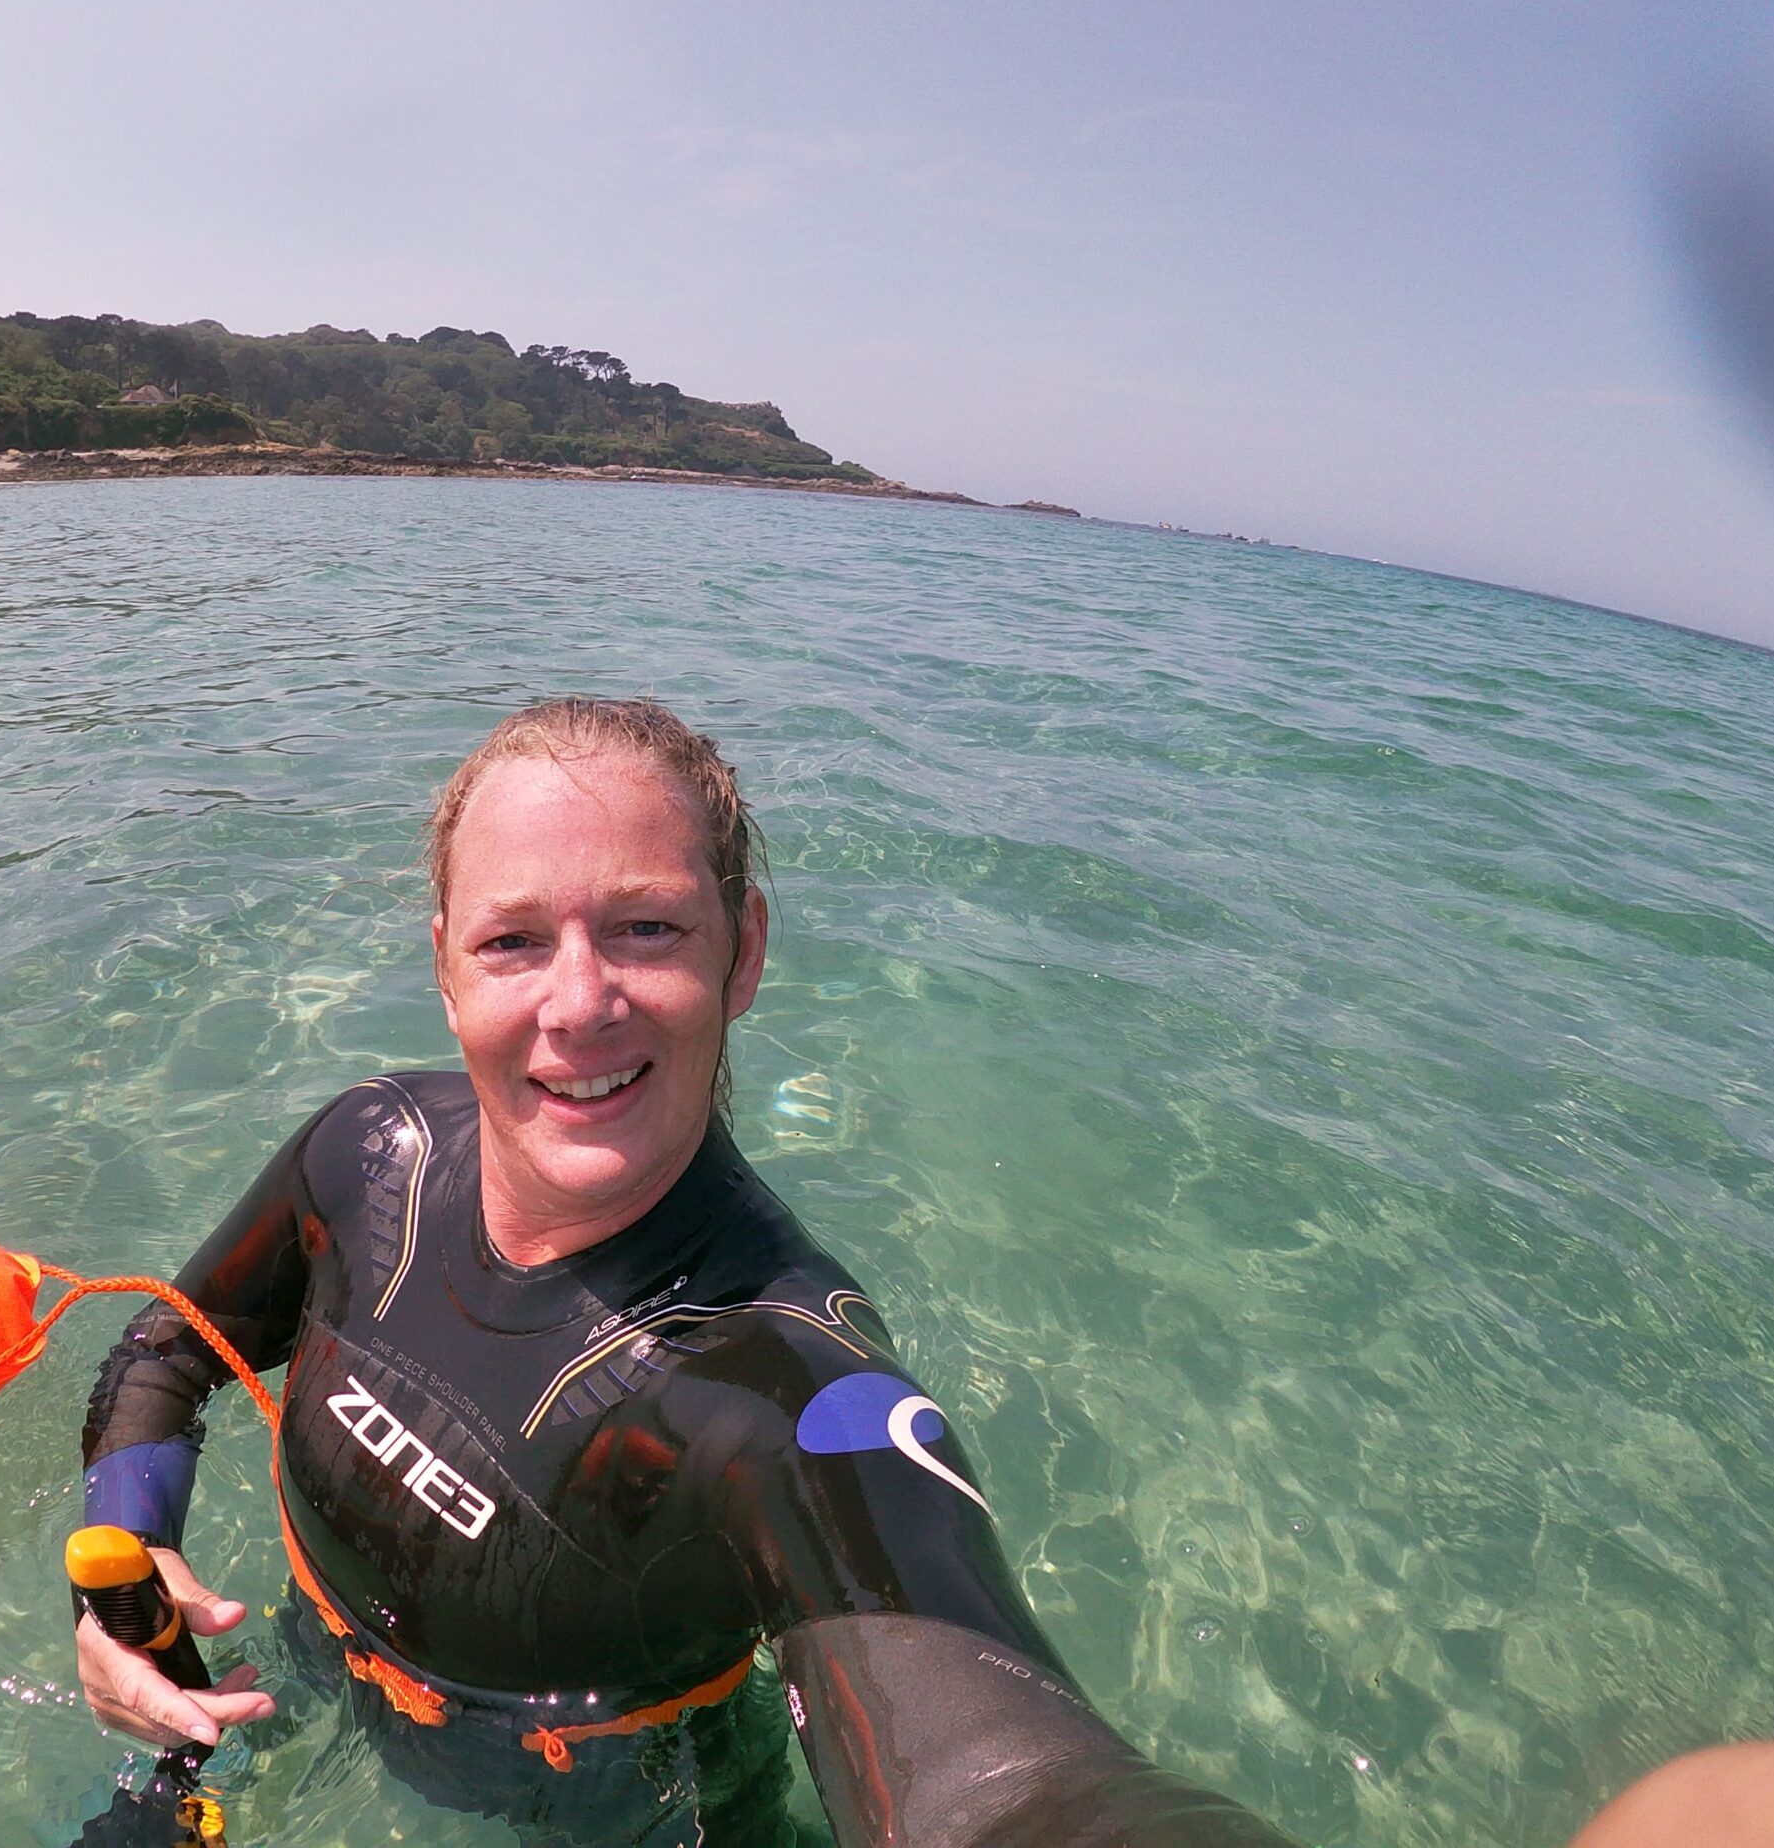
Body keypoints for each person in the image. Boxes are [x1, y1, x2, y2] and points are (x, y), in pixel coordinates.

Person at [73, 696, 1295, 1846]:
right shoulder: (363, 1155)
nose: (580, 1001)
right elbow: (166, 1353)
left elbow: (1008, 1785)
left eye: (646, 928)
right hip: (299, 1667)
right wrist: (125, 1578)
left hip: (639, 1808)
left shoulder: (774, 1386)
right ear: (445, 967)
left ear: (743, 950)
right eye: (512, 941)